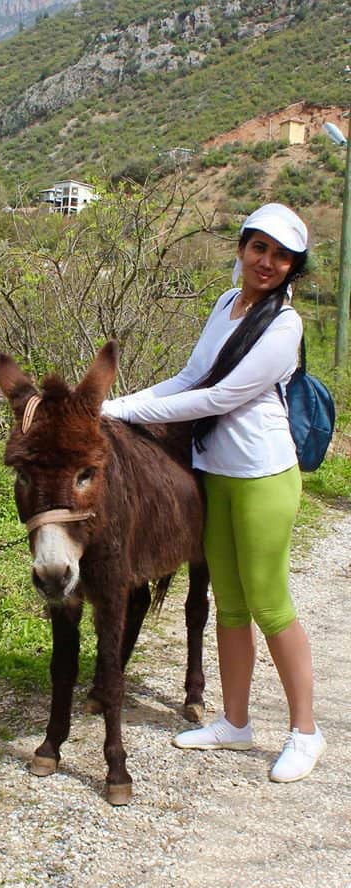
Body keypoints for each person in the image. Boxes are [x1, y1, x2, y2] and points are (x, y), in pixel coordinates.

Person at [102, 202, 325, 783]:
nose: (267, 262)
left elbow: (218, 397)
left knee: (269, 604)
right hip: (214, 472)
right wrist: (112, 406)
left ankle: (305, 732)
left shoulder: (284, 326)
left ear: (293, 268)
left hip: (262, 476)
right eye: (259, 248)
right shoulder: (227, 304)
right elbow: (188, 378)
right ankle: (234, 721)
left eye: (282, 256)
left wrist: (123, 411)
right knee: (228, 602)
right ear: (243, 248)